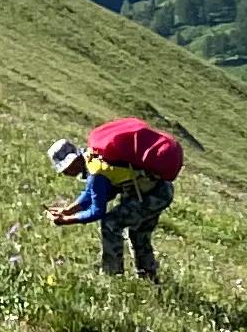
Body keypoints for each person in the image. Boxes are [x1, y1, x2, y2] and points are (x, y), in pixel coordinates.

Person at [48, 117, 185, 278]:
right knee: (138, 234)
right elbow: (91, 194)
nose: (65, 173)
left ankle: (112, 273)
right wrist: (68, 210)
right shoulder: (94, 156)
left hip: (150, 196)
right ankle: (148, 277)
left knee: (111, 223)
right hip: (159, 189)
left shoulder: (96, 170)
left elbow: (97, 211)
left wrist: (67, 220)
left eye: (65, 168)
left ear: (73, 162)